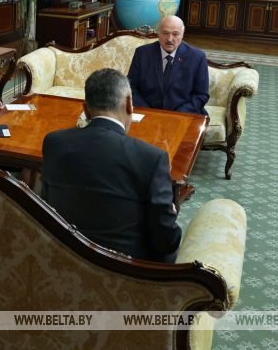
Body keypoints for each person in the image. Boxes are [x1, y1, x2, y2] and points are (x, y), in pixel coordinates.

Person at [41, 68, 182, 263]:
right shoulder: (152, 158)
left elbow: (47, 205)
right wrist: (171, 213)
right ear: (129, 104)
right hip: (123, 271)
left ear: (85, 109)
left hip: (63, 260)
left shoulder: (54, 142)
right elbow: (167, 242)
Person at [127, 15, 209, 115]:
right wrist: (148, 112)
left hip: (184, 115)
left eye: (175, 34)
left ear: (182, 35)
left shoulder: (197, 57)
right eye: (165, 33)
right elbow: (130, 87)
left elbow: (201, 95)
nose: (170, 39)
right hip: (147, 113)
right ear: (158, 33)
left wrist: (175, 116)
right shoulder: (142, 53)